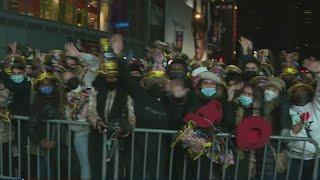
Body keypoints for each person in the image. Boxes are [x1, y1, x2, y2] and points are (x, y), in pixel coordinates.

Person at [90, 60, 136, 179]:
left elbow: (131, 114)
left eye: (114, 77)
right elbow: (91, 110)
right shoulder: (96, 90)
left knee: (116, 170)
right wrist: (97, 121)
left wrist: (126, 127)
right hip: (97, 136)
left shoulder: (126, 93)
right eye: (108, 76)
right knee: (97, 167)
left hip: (117, 137)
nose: (111, 79)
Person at [287, 56, 320, 180]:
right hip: (294, 158)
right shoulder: (287, 111)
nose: (299, 92)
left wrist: (318, 73)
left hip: (315, 158)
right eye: (296, 90)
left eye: (303, 89)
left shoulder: (315, 107)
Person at [62, 71, 99, 180]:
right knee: (86, 166)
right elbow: (74, 121)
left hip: (95, 134)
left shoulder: (89, 90)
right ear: (64, 84)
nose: (71, 80)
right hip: (81, 135)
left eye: (72, 76)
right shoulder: (67, 99)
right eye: (67, 80)